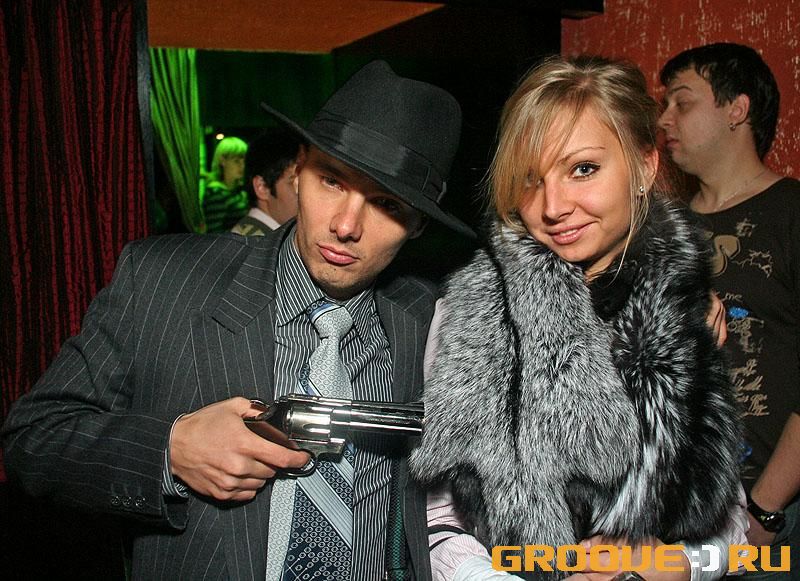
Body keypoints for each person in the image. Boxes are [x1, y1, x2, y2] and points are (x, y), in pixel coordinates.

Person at [2, 60, 474, 580]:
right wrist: (170, 450)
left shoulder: (432, 320)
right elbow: (33, 439)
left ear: (418, 224)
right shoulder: (162, 280)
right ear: (297, 170)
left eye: (385, 204)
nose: (346, 225)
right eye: (331, 181)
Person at [410, 55, 747, 581]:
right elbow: (434, 522)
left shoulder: (681, 311)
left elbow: (732, 527)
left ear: (644, 166)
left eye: (582, 169)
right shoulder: (469, 313)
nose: (552, 206)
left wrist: (676, 565)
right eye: (530, 179)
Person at [659, 42, 800, 578]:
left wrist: (765, 508)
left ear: (737, 109)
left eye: (682, 102)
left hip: (775, 512)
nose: (664, 119)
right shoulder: (662, 229)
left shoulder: (791, 213)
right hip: (677, 513)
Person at [232, 127, 303, 236]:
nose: (306, 194)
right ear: (262, 187)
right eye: (294, 183)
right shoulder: (256, 242)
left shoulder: (265, 237)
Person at [203, 135, 250, 232]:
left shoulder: (239, 190)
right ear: (223, 161)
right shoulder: (216, 193)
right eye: (236, 161)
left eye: (244, 161)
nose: (242, 166)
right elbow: (214, 232)